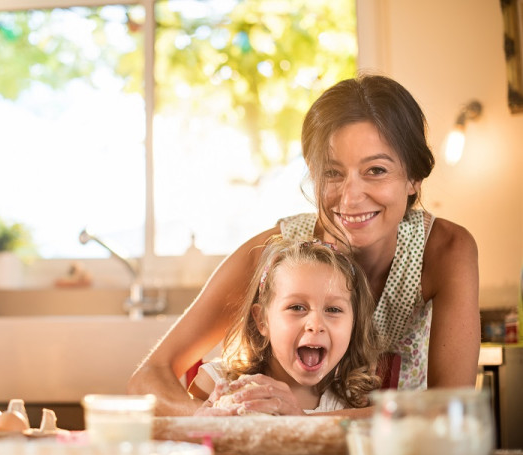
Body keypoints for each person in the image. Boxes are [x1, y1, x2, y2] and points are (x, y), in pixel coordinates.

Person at [127, 73, 480, 417]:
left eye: (375, 170)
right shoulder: (275, 252)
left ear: (414, 178)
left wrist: (300, 421)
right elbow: (147, 379)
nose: (351, 196)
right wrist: (216, 421)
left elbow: (448, 410)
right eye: (332, 172)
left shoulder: (446, 250)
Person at [189, 236, 382, 415]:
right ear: (262, 320)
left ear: (353, 323)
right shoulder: (218, 382)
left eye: (333, 310)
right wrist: (198, 426)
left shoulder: (350, 404)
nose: (315, 325)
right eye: (297, 307)